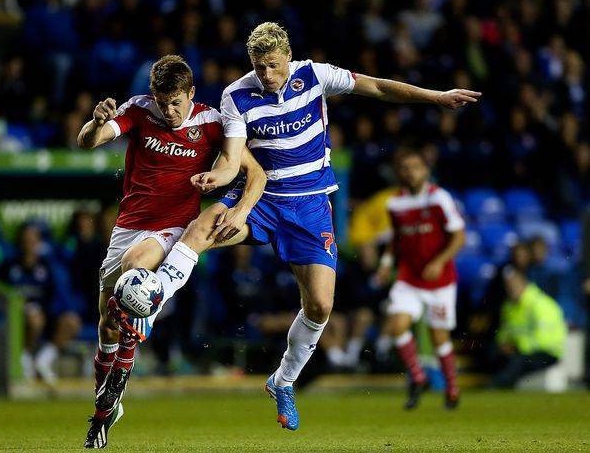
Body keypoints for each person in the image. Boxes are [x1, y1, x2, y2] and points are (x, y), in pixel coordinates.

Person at [119, 22, 479, 430]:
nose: (267, 76)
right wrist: (217, 179)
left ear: (288, 56)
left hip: (310, 207)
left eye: (273, 65)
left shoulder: (316, 75)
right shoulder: (236, 95)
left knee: (321, 305)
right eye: (259, 67)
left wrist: (435, 96)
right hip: (263, 201)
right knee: (201, 227)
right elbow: (233, 159)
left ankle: (283, 381)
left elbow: (377, 87)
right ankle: (152, 299)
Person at [77, 55, 266, 448]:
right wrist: (95, 123)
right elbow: (87, 142)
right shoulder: (139, 109)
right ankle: (108, 398)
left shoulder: (212, 122)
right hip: (127, 225)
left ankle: (120, 380)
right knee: (107, 322)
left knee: (133, 277)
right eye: (164, 103)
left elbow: (248, 169)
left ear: (191, 94)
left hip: (169, 228)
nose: (170, 111)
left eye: (177, 103)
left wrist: (229, 192)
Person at [376, 147, 466, 410]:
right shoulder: (395, 203)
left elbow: (459, 236)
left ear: (425, 171)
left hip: (440, 281)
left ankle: (452, 386)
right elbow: (396, 239)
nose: (410, 172)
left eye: (415, 167)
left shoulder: (440, 198)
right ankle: (417, 376)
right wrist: (385, 263)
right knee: (397, 326)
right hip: (409, 277)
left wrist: (439, 261)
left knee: (439, 337)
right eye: (405, 168)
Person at [0, 223, 81, 385]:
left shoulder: (46, 267)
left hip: (44, 314)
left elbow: (53, 296)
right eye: (26, 240)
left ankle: (43, 360)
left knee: (72, 322)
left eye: (32, 240)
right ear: (20, 242)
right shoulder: (8, 267)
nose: (29, 244)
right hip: (16, 318)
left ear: (38, 243)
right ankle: (25, 359)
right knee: (34, 318)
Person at [492, 267, 567, 388]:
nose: (511, 288)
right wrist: (503, 344)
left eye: (514, 284)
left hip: (547, 353)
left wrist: (517, 346)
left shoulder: (541, 304)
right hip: (521, 350)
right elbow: (504, 332)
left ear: (523, 283)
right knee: (494, 352)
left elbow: (545, 340)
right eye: (508, 285)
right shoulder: (508, 307)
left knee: (518, 362)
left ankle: (498, 387)